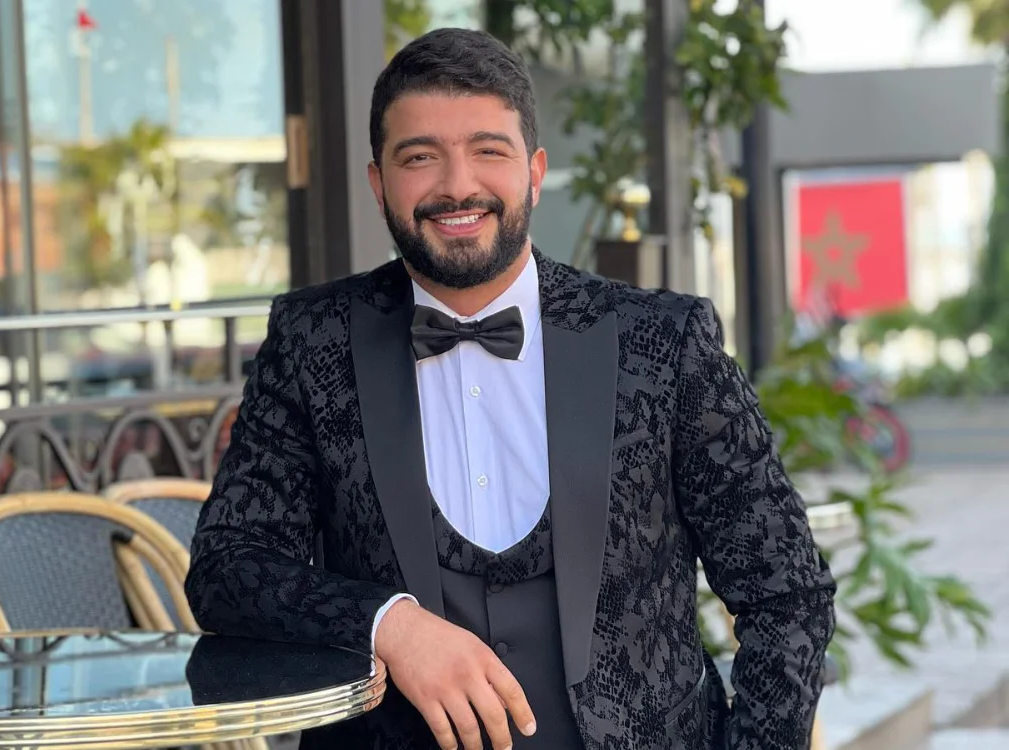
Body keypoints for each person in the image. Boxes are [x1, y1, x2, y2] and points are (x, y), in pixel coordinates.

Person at [186, 27, 836, 750]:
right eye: (419, 157)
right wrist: (388, 624)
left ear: (534, 171)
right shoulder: (312, 341)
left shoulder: (664, 341)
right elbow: (227, 566)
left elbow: (787, 593)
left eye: (488, 150)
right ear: (378, 183)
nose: (456, 185)